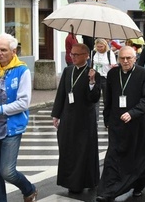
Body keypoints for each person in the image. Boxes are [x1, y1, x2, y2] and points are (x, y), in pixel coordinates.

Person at [0, 33, 38, 202]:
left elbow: (23, 103)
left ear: (14, 51)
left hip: (11, 128)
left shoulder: (22, 71)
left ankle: (29, 189)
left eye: (3, 50)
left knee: (7, 171)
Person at [96, 46, 145, 201]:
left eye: (129, 58)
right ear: (118, 59)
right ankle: (108, 191)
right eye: (122, 58)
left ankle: (138, 185)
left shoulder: (144, 74)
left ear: (135, 58)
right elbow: (108, 98)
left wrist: (133, 113)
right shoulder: (112, 74)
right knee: (113, 156)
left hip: (137, 123)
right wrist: (107, 118)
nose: (125, 61)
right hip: (117, 122)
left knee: (138, 157)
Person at [51, 43, 101, 194]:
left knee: (83, 151)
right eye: (71, 54)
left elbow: (94, 98)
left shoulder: (92, 73)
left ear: (86, 55)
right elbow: (61, 94)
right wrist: (56, 114)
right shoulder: (68, 70)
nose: (72, 57)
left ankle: (82, 182)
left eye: (76, 55)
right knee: (68, 150)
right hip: (68, 117)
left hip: (85, 119)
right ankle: (69, 180)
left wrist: (92, 82)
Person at [92, 38, 117, 114]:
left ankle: (107, 117)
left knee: (106, 99)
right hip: (96, 77)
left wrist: (112, 66)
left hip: (106, 78)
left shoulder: (109, 53)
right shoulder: (94, 53)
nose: (99, 48)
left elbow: (113, 65)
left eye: (101, 46)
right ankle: (95, 119)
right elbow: (92, 64)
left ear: (105, 46)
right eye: (98, 46)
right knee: (95, 98)